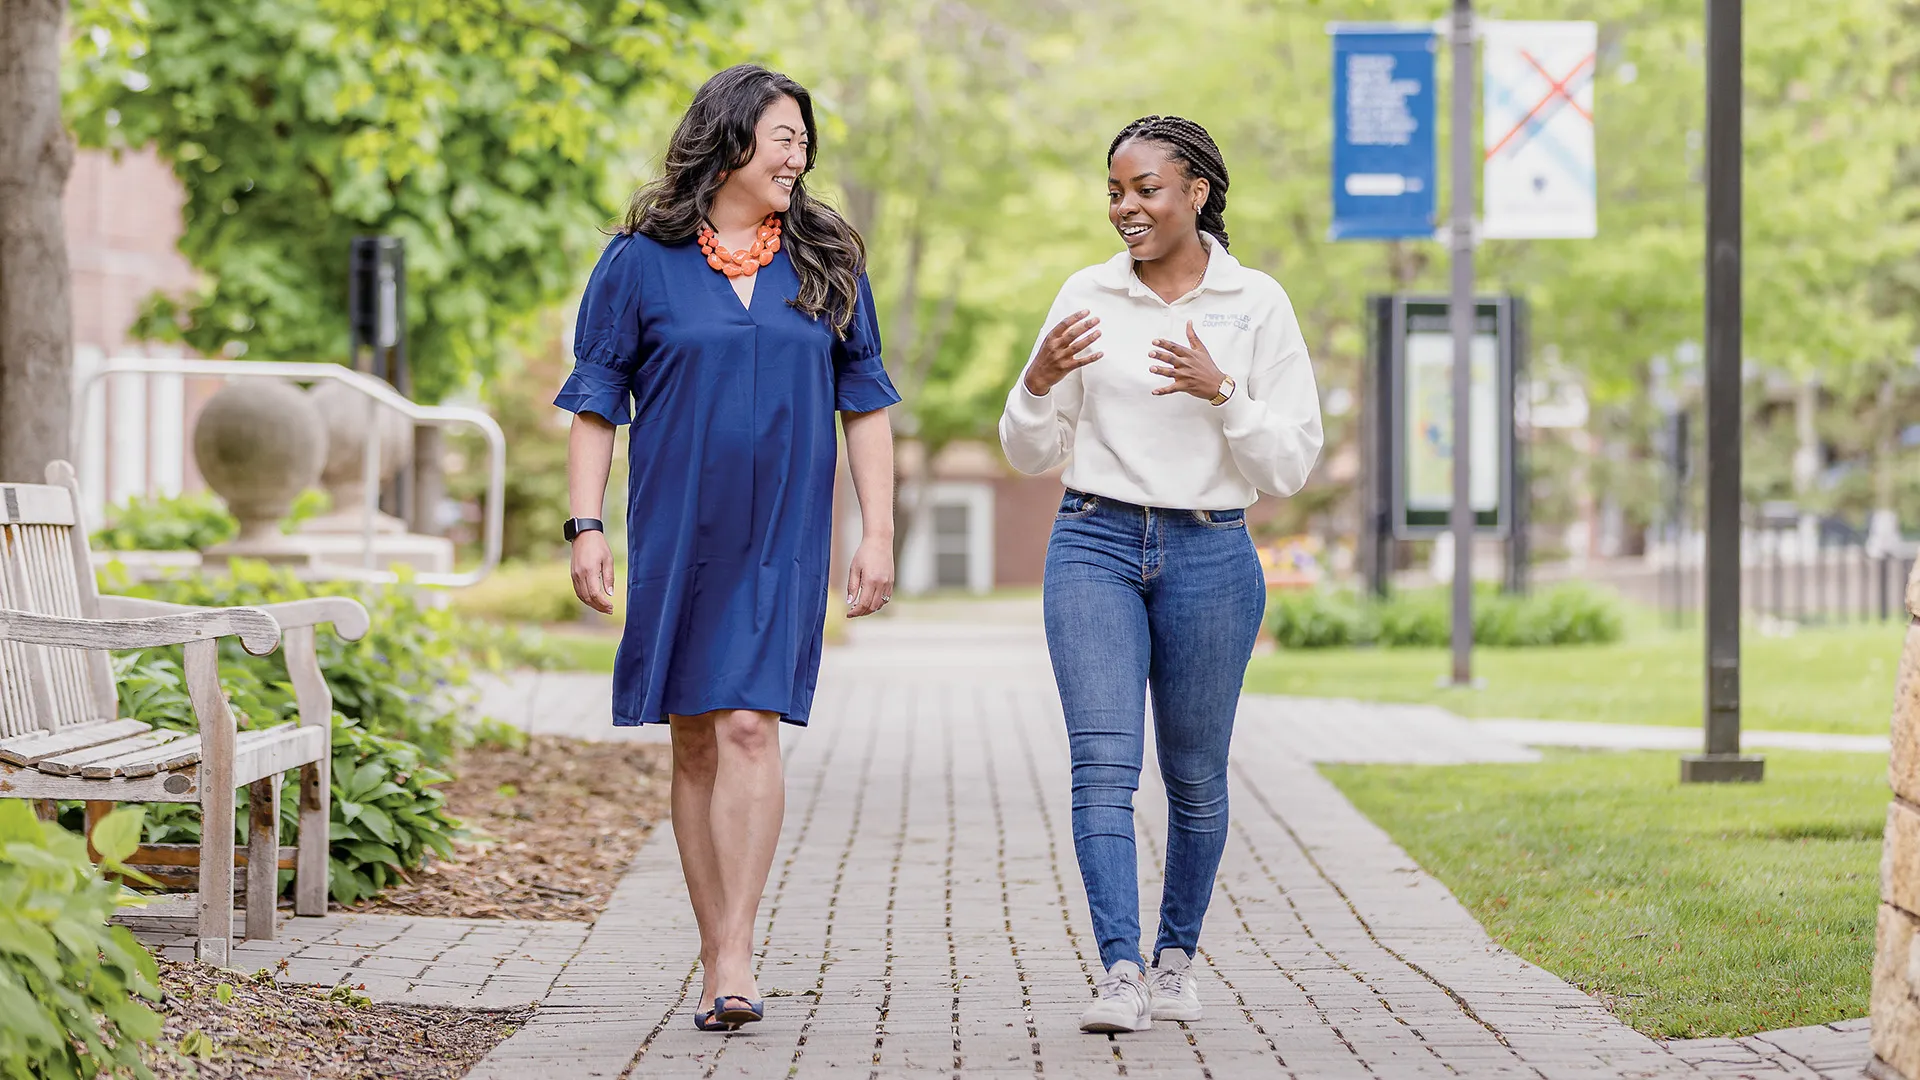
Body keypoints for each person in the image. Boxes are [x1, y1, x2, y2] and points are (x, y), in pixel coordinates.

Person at [558, 63, 899, 1033]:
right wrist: (585, 524)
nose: (799, 155)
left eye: (804, 140)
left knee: (752, 722)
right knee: (698, 732)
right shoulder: (638, 261)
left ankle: (735, 956)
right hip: (677, 530)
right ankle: (715, 945)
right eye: (784, 136)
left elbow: (866, 404)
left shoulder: (828, 259)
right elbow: (594, 402)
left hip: (783, 533)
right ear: (730, 137)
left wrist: (877, 531)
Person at [999, 115, 1323, 1034]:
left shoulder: (1257, 303)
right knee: (1102, 766)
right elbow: (1027, 453)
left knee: (1195, 777)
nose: (1126, 208)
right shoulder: (1086, 293)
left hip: (1211, 551)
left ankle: (1177, 955)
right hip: (1094, 542)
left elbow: (1289, 466)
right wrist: (1033, 379)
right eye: (1114, 191)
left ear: (1197, 194)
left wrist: (1225, 392)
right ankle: (1118, 968)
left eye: (1145, 189)